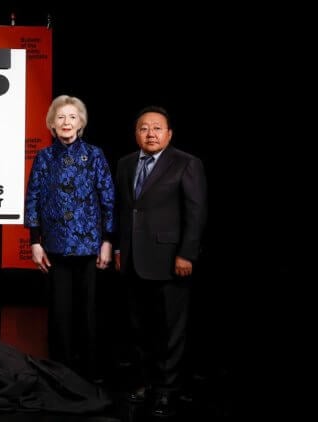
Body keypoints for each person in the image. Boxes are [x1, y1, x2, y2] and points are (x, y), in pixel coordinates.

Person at [114, 106, 207, 418]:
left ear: (169, 134)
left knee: (169, 330)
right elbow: (123, 210)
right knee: (138, 327)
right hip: (132, 260)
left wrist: (187, 254)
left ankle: (166, 390)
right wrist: (119, 250)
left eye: (157, 128)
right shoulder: (126, 164)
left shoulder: (186, 163)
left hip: (170, 260)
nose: (150, 133)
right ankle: (143, 382)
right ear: (136, 133)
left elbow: (196, 212)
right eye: (144, 128)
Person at [24, 95, 114, 383]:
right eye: (61, 117)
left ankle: (89, 372)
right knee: (59, 313)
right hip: (55, 246)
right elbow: (33, 198)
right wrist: (35, 241)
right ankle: (59, 372)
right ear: (52, 123)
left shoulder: (95, 155)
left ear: (81, 123)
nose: (66, 122)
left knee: (89, 312)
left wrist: (108, 241)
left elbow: (108, 198)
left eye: (72, 117)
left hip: (90, 246)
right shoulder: (44, 157)